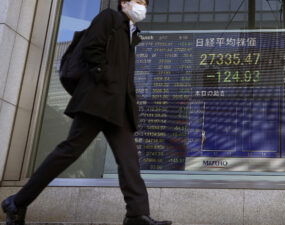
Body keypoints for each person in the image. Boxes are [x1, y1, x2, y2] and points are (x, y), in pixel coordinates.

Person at [1, 0, 172, 225]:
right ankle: (17, 202)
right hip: (97, 101)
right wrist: (104, 78)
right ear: (124, 3)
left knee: (129, 161)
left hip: (118, 108)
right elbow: (92, 47)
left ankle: (136, 214)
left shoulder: (133, 33)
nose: (141, 6)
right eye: (137, 0)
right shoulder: (109, 18)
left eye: (144, 2)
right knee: (68, 152)